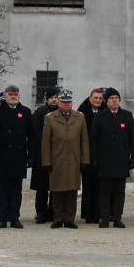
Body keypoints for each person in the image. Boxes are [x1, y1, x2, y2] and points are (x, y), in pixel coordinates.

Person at [0, 84, 36, 229]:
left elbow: (32, 136)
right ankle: (2, 217)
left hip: (18, 156)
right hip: (2, 156)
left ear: (19, 96)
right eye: (10, 94)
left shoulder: (26, 112)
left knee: (16, 190)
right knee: (2, 189)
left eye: (16, 94)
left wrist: (31, 156)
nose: (13, 97)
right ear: (6, 96)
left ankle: (14, 217)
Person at [40, 90, 88, 229]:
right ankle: (58, 218)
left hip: (74, 159)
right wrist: (47, 162)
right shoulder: (50, 118)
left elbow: (84, 141)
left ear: (72, 103)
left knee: (72, 191)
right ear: (59, 103)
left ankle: (69, 219)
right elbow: (46, 143)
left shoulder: (79, 117)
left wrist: (85, 160)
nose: (66, 105)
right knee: (57, 190)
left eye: (69, 102)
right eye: (64, 102)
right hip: (57, 160)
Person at [90, 88, 134, 228]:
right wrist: (94, 158)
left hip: (121, 159)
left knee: (119, 191)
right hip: (105, 159)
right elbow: (93, 139)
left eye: (117, 98)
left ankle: (117, 217)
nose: (114, 100)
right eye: (111, 98)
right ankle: (104, 217)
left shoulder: (127, 115)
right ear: (106, 101)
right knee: (104, 190)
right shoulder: (100, 116)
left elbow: (133, 138)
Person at [31, 87, 59, 224]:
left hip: (57, 154)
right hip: (42, 154)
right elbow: (35, 133)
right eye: (51, 97)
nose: (54, 99)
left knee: (55, 186)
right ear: (46, 99)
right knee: (41, 187)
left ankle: (54, 212)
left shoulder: (62, 112)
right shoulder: (40, 112)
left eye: (56, 97)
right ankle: (41, 213)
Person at [76, 87, 105, 223]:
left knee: (100, 185)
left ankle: (98, 213)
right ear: (90, 99)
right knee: (87, 185)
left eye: (100, 98)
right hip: (86, 152)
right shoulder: (82, 112)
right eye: (95, 98)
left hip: (101, 153)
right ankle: (88, 214)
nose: (98, 100)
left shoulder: (105, 112)